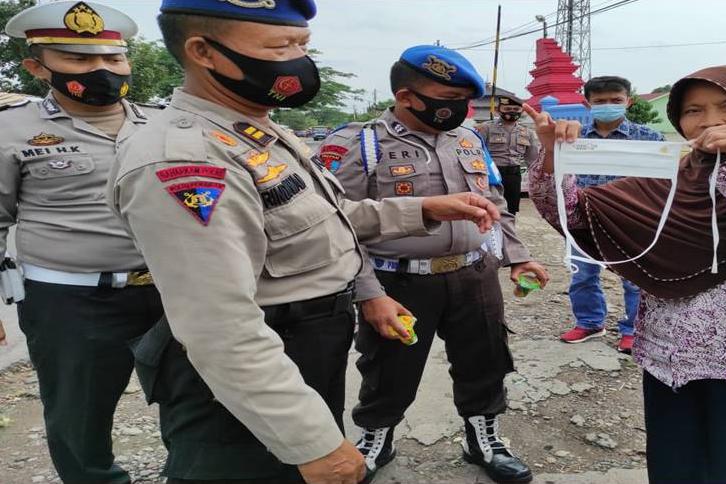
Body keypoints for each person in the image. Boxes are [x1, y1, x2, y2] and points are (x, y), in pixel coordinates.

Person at [109, 2, 501, 483]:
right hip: (261, 364)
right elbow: (220, 326)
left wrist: (425, 209)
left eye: (302, 45)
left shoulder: (258, 133)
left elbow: (327, 220)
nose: (299, 60)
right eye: (281, 47)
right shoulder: (187, 159)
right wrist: (312, 442)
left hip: (307, 343)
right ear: (203, 51)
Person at [529, 65, 726, 482]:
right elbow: (573, 215)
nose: (711, 120)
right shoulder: (677, 176)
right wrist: (553, 159)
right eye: (694, 110)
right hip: (673, 368)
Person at [323, 45, 548, 484]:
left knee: (485, 360)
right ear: (407, 97)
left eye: (465, 98)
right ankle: (376, 437)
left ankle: (483, 437)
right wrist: (369, 294)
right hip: (397, 280)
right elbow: (337, 226)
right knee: (389, 367)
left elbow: (496, 206)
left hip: (473, 274)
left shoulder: (468, 138)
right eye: (448, 97)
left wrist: (518, 258)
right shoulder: (360, 144)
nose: (460, 107)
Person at [1, 3, 164, 483]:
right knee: (78, 413)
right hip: (70, 301)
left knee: (195, 399)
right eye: (79, 59)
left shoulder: (165, 123)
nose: (102, 71)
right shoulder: (10, 129)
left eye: (114, 60)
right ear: (37, 66)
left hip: (172, 291)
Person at [558, 75, 665, 354]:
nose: (609, 105)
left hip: (631, 220)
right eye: (600, 101)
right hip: (583, 219)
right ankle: (590, 322)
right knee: (582, 275)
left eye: (616, 101)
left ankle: (633, 329)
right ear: (587, 103)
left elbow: (662, 183)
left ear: (628, 101)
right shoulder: (573, 137)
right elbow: (557, 174)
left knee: (634, 279)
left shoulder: (650, 138)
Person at [476, 95, 540, 215]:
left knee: (511, 209)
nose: (512, 112)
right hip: (492, 174)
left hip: (514, 175)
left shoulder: (527, 132)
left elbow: (533, 160)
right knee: (489, 207)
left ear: (522, 111)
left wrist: (537, 180)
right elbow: (477, 152)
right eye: (507, 109)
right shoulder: (486, 128)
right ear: (498, 110)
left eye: (516, 110)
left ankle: (509, 231)